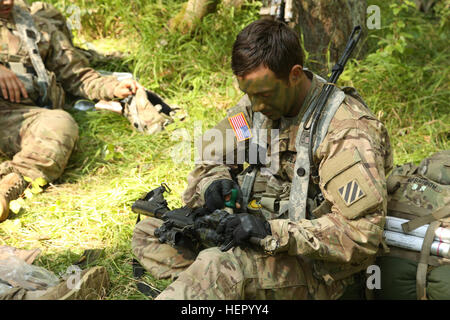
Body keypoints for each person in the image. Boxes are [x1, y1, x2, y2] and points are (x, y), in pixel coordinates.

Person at [132, 19, 393, 299]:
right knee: (152, 232)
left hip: (320, 269)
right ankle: (216, 284)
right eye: (248, 94)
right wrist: (214, 183)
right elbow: (212, 152)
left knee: (218, 265)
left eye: (263, 95)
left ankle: (215, 280)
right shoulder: (257, 108)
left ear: (294, 75)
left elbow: (362, 234)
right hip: (256, 233)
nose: (255, 106)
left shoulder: (345, 132)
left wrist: (272, 231)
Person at [0, 0, 145, 222]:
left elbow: (78, 75)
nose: (7, 2)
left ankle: (10, 183)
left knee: (60, 124)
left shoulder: (36, 28)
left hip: (20, 116)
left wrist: (111, 88)